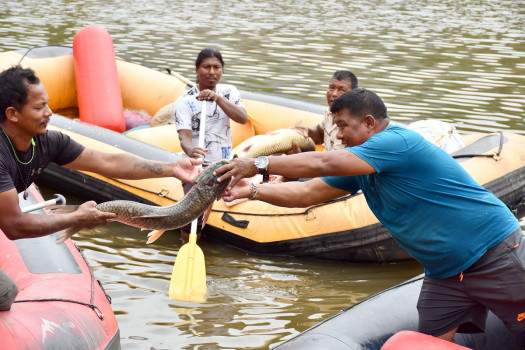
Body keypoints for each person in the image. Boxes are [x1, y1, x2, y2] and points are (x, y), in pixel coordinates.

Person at [214, 88, 525, 343]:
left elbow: (325, 164)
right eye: (334, 127)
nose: (338, 134)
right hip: (446, 274)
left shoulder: (396, 142)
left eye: (343, 126)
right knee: (427, 341)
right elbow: (306, 194)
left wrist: (259, 164)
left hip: (493, 254)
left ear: (369, 122)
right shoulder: (361, 167)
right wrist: (252, 192)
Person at [0, 65, 203, 311]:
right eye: (39, 107)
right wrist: (76, 217)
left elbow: (107, 161)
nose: (49, 112)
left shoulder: (46, 142)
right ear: (12, 113)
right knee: (6, 293)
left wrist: (172, 168)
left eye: (48, 104)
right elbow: (14, 226)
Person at [173, 48, 248, 241]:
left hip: (223, 164)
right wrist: (191, 151)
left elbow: (242, 118)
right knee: (191, 219)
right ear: (197, 69)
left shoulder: (229, 92)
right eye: (207, 67)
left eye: (217, 67)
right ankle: (187, 244)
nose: (212, 72)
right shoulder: (185, 102)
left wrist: (218, 98)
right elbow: (184, 137)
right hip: (197, 167)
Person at [290, 70, 358, 153]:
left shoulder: (350, 125)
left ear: (353, 95)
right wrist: (303, 131)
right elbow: (319, 134)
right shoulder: (330, 111)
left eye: (341, 90)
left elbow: (332, 163)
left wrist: (299, 155)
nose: (334, 94)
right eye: (331, 88)